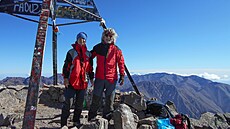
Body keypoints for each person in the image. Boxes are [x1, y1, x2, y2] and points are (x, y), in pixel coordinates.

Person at [88, 28, 125, 121]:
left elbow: (121, 63)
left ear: (113, 37)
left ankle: (107, 120)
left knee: (109, 101)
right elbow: (89, 58)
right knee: (96, 99)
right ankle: (91, 119)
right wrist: (90, 73)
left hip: (111, 79)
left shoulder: (117, 50)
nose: (108, 37)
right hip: (100, 78)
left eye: (110, 36)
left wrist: (122, 75)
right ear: (103, 36)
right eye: (106, 35)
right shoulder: (97, 48)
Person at [61, 32, 94, 127]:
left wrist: (92, 79)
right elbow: (66, 66)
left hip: (83, 83)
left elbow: (90, 68)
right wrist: (65, 78)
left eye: (84, 39)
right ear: (77, 39)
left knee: (79, 105)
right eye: (80, 38)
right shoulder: (71, 52)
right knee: (68, 103)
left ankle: (76, 121)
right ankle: (63, 124)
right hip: (72, 82)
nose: (82, 40)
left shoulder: (88, 54)